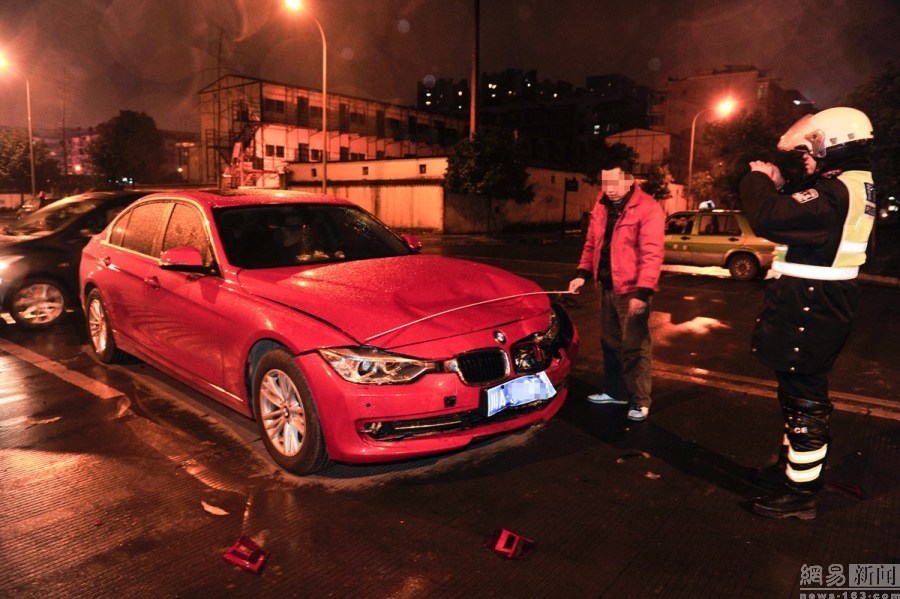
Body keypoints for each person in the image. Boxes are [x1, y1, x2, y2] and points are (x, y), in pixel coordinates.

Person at [739, 107, 876, 520]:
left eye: (810, 151)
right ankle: (790, 472)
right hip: (815, 300)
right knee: (796, 391)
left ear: (831, 144)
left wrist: (759, 179)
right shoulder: (848, 184)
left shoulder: (836, 192)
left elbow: (770, 217)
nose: (806, 159)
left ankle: (801, 494)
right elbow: (804, 220)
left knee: (805, 401)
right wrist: (783, 186)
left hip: (813, 304)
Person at [568, 167, 665, 421]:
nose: (609, 189)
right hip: (608, 286)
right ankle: (615, 392)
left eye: (615, 183)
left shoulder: (648, 207)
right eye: (605, 183)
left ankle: (640, 400)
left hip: (633, 289)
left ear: (629, 181)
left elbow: (652, 253)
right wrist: (582, 274)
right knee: (610, 343)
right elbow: (592, 244)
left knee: (635, 347)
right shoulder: (601, 205)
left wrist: (642, 293)